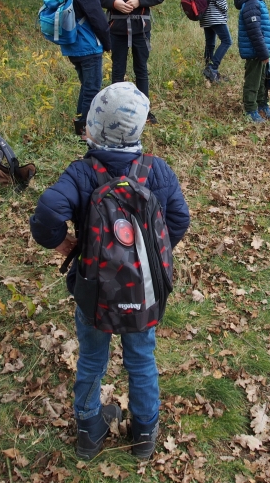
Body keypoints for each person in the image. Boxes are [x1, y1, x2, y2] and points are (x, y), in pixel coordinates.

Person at [29, 82, 191, 460]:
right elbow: (179, 220)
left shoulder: (82, 174)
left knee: (91, 358)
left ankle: (89, 430)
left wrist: (66, 245)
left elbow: (47, 216)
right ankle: (145, 433)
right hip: (143, 292)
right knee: (141, 358)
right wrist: (150, 256)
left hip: (93, 291)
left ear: (93, 129)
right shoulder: (157, 171)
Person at [94, 0, 166, 124]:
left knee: (141, 68)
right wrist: (114, 3)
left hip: (141, 30)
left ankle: (145, 111)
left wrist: (139, 1)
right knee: (118, 69)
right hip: (116, 30)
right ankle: (116, 111)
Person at [47, 0, 111, 135]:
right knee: (92, 88)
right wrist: (108, 44)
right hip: (89, 47)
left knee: (86, 85)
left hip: (72, 46)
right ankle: (85, 128)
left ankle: (79, 121)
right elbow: (99, 21)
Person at [235, 0, 270, 123]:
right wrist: (263, 52)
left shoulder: (256, 0)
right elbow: (254, 31)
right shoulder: (251, 3)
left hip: (260, 50)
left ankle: (262, 105)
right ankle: (251, 109)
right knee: (253, 80)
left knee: (262, 79)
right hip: (255, 51)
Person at [198, 0, 231, 83]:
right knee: (227, 41)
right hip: (214, 13)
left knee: (210, 43)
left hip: (204, 13)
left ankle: (208, 72)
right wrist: (225, 8)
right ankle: (212, 68)